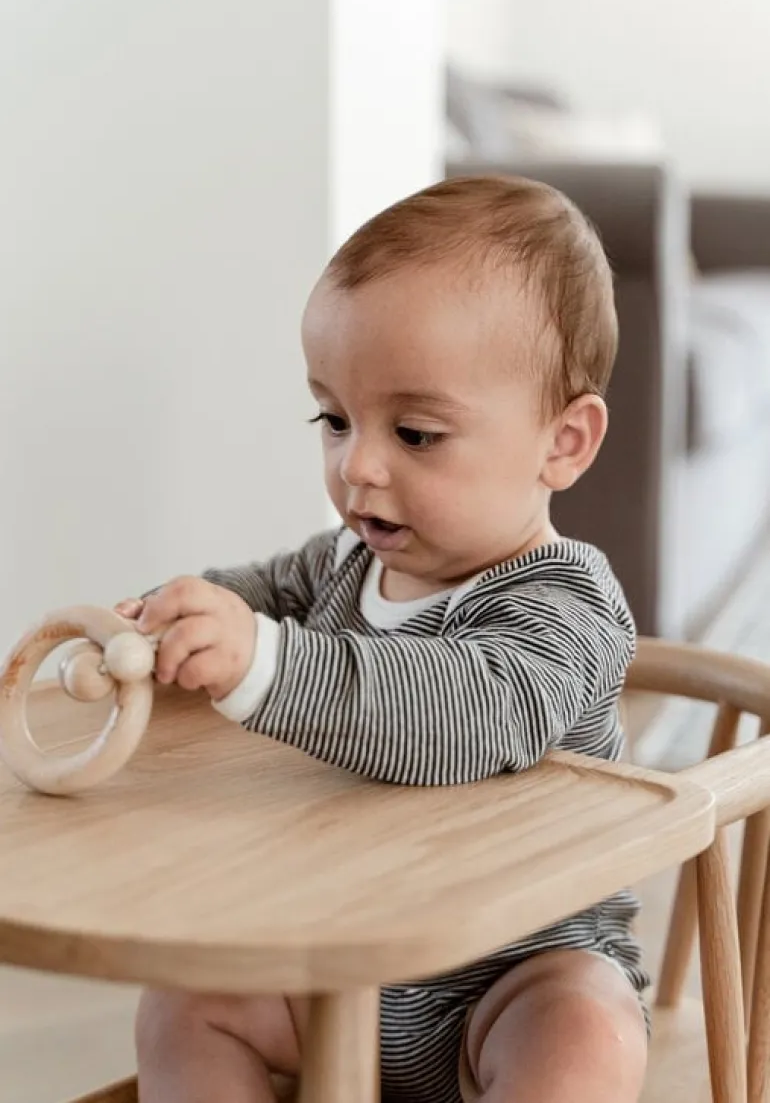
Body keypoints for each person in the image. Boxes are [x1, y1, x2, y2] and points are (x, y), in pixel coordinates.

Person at [117, 176, 649, 1103]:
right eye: (334, 418)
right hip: (340, 957)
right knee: (182, 1004)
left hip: (510, 971)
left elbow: (453, 713)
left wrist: (267, 663)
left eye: (414, 432)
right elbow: (255, 597)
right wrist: (175, 620)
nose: (357, 464)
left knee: (584, 1033)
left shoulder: (565, 605)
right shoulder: (343, 564)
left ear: (563, 442)